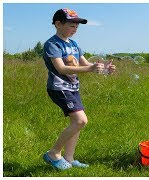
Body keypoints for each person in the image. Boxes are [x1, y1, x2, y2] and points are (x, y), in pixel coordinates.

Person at [42, 8, 116, 170]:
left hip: (72, 88)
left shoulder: (74, 44)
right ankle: (53, 153)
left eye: (77, 26)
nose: (75, 28)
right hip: (59, 88)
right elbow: (61, 68)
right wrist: (90, 69)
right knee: (80, 120)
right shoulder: (52, 44)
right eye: (72, 25)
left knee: (77, 123)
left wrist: (103, 69)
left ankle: (68, 158)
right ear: (58, 24)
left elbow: (86, 65)